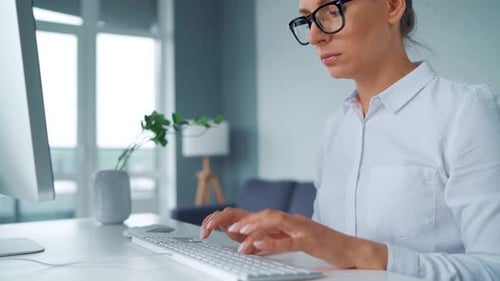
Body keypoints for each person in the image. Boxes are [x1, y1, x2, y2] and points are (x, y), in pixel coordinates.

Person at [200, 0, 500, 280]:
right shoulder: (336, 126)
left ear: (393, 6)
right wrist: (282, 237)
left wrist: (362, 252)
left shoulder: (467, 109)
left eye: (331, 11)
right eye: (307, 20)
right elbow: (330, 250)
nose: (314, 36)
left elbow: (493, 266)